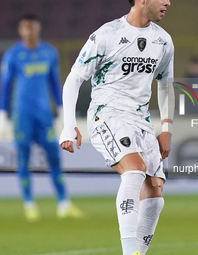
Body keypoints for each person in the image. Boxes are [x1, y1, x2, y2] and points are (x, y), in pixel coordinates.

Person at [59, 0, 174, 254]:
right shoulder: (106, 35)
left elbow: (166, 85)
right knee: (134, 171)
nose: (168, 2)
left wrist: (166, 129)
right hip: (107, 116)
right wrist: (69, 125)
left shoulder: (163, 41)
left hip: (141, 121)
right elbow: (74, 78)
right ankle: (128, 252)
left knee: (155, 196)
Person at [0, 14, 84, 222]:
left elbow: (55, 83)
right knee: (23, 159)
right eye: (25, 28)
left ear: (38, 29)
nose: (29, 32)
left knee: (55, 156)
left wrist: (63, 111)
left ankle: (64, 204)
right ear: (20, 30)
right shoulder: (12, 55)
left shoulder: (49, 53)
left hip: (44, 115)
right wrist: (2, 114)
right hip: (22, 116)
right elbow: (5, 87)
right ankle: (29, 204)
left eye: (32, 28)